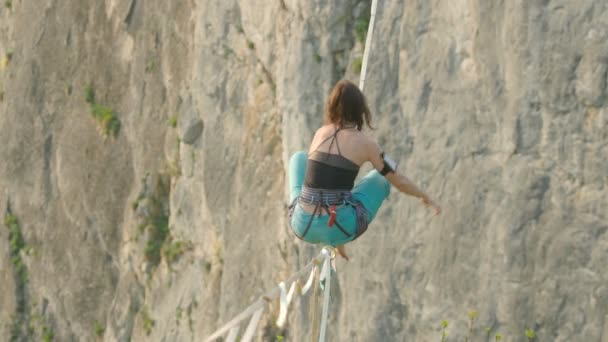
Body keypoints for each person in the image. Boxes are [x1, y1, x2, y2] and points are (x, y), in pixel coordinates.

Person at [287, 80, 440, 260]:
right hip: (342, 227)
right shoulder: (368, 144)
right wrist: (424, 196)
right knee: (380, 177)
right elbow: (400, 181)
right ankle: (337, 238)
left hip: (303, 226)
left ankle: (328, 227)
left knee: (299, 157)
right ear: (361, 110)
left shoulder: (320, 132)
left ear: (332, 106)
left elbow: (323, 180)